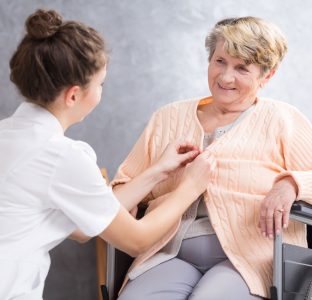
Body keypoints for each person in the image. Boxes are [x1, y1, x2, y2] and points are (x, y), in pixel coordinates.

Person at [0, 9, 216, 300]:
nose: (101, 92)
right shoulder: (62, 157)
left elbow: (83, 226)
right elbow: (136, 241)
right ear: (74, 95)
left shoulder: (10, 134)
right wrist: (191, 186)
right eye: (100, 84)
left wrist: (157, 172)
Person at [113, 16, 312, 300]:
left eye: (242, 68)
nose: (225, 77)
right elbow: (123, 186)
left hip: (249, 262)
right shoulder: (168, 117)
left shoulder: (283, 120)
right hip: (168, 253)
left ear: (267, 76)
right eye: (220, 61)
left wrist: (291, 185)